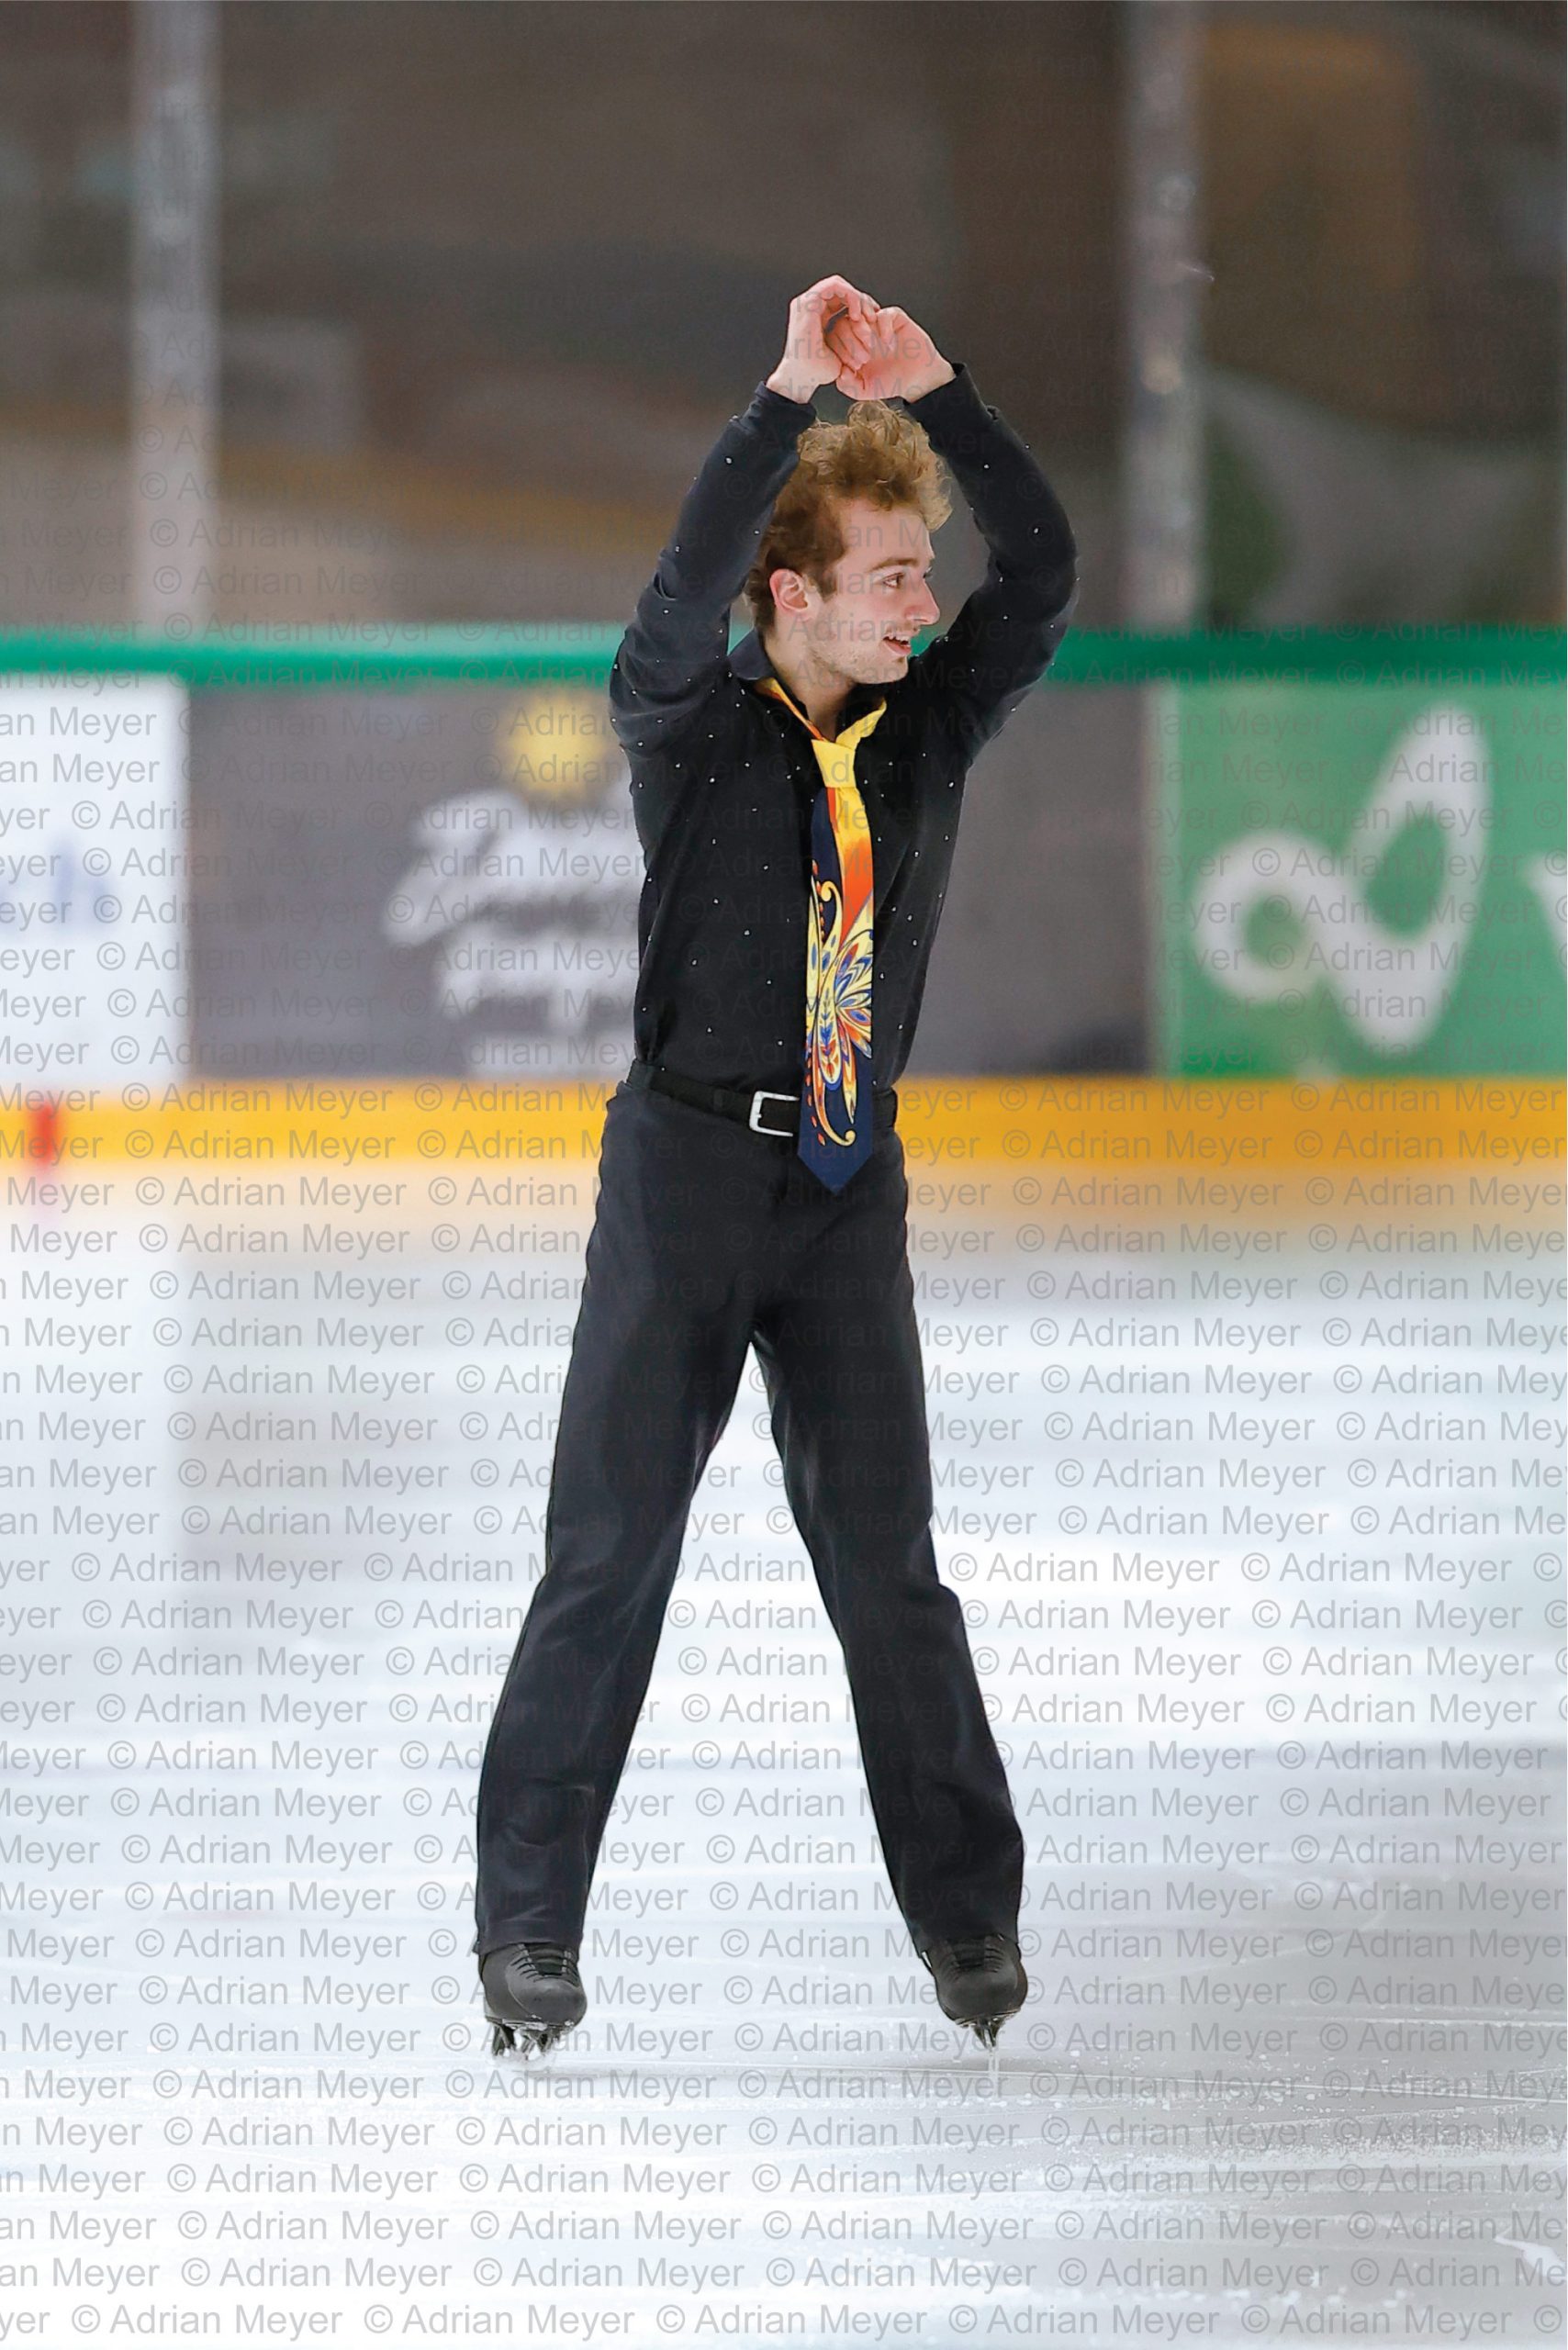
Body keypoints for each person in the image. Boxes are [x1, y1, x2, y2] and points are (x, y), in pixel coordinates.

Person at [474, 276, 1079, 2056]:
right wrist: (778, 405)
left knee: (883, 1562)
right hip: (677, 1181)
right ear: (790, 593)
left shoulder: (930, 725)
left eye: (919, 569)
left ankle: (966, 1909)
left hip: (837, 1197)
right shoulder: (688, 721)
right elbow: (670, 600)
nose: (923, 597)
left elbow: (1039, 567)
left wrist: (941, 399)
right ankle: (524, 1926)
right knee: (605, 1553)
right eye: (891, 573)